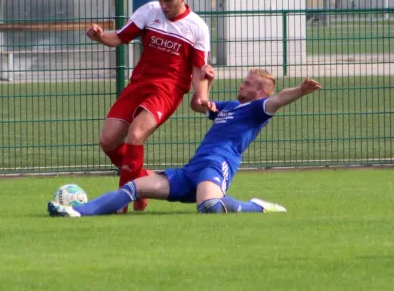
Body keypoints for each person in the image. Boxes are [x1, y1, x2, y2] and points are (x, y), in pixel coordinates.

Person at [48, 69, 322, 217]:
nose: (241, 85)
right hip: (190, 170)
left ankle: (258, 207)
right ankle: (76, 212)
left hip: (215, 167)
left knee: (210, 208)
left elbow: (279, 99)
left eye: (247, 84)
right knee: (133, 186)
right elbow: (197, 105)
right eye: (243, 81)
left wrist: (300, 90)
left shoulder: (258, 109)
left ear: (260, 92)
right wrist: (205, 85)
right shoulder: (229, 107)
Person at [85, 0, 212, 212]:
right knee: (108, 141)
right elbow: (121, 37)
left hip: (168, 89)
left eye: (169, 1)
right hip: (139, 84)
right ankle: (142, 181)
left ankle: (122, 200)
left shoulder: (197, 27)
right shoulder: (149, 11)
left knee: (136, 135)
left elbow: (199, 69)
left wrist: (202, 96)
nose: (163, 6)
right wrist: (100, 37)